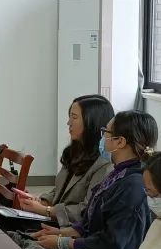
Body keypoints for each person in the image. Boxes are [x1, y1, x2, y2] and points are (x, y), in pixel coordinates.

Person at [11, 111, 156, 249]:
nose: (103, 137)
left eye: (106, 132)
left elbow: (111, 244)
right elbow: (91, 222)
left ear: (120, 142)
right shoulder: (119, 173)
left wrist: (63, 243)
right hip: (86, 246)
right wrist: (61, 232)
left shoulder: (132, 186)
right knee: (15, 239)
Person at [17, 94, 114, 226]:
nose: (69, 123)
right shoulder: (74, 152)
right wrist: (41, 201)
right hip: (54, 221)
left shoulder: (104, 164)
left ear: (91, 122)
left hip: (70, 229)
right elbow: (59, 191)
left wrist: (46, 210)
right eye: (70, 117)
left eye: (74, 117)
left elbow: (86, 210)